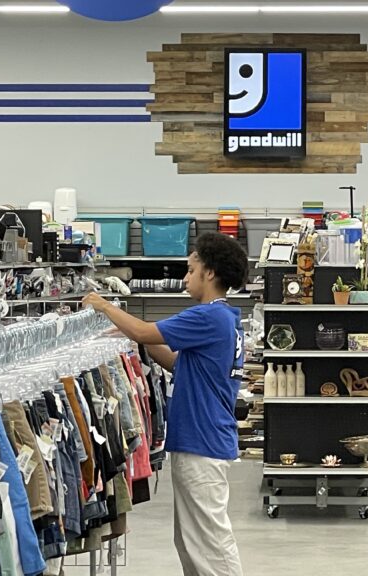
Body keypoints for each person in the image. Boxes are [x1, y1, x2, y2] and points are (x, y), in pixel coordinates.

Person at [82, 231, 247, 576]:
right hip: (205, 439)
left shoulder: (208, 317)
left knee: (210, 543)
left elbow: (144, 331)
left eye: (190, 270)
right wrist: (131, 336)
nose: (185, 278)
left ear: (210, 273)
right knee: (192, 541)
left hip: (202, 442)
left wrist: (104, 306)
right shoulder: (225, 318)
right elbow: (176, 361)